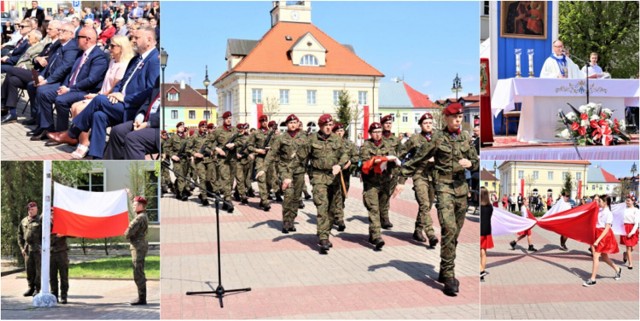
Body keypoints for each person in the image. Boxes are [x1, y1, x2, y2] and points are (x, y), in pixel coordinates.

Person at [401, 102, 478, 296]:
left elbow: (476, 161)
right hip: (443, 188)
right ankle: (449, 275)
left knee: (454, 233)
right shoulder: (437, 138)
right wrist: (398, 175)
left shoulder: (465, 137)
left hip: (461, 189)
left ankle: (444, 270)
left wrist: (471, 164)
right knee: (449, 228)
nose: (458, 120)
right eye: (454, 117)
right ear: (446, 118)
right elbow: (417, 158)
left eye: (460, 117)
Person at [46, 26, 159, 159]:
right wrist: (114, 94)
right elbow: (122, 82)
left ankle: (72, 132)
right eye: (133, 38)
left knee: (99, 100)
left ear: (149, 40)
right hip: (118, 101)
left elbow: (150, 92)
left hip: (132, 107)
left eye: (137, 38)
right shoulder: (136, 59)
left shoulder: (154, 61)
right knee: (99, 115)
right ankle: (97, 157)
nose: (133, 41)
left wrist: (124, 98)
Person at [66, 34, 134, 158]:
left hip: (118, 102)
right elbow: (114, 87)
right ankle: (96, 155)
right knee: (96, 114)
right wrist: (100, 94)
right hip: (108, 97)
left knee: (85, 106)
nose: (109, 48)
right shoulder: (112, 61)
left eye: (112, 46)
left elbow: (116, 87)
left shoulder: (125, 65)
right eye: (109, 45)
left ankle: (78, 138)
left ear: (122, 47)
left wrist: (102, 95)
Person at [300, 114, 348, 254]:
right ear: (320, 126)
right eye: (326, 125)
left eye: (330, 125)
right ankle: (323, 238)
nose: (329, 127)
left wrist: (339, 165)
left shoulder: (337, 139)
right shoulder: (311, 140)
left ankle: (324, 231)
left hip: (334, 178)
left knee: (332, 209)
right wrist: (288, 176)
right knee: (322, 206)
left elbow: (345, 154)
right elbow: (301, 158)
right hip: (318, 176)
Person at [259, 114, 307, 232]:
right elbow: (272, 153)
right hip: (285, 169)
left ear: (298, 124)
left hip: (299, 170)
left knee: (296, 197)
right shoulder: (281, 138)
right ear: (286, 125)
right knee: (288, 195)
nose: (293, 124)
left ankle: (291, 220)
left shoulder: (304, 137)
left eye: (295, 122)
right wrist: (263, 168)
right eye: (290, 123)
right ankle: (286, 221)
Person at [399, 112, 438, 247]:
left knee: (428, 205)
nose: (428, 125)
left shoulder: (438, 138)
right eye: (425, 123)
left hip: (434, 177)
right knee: (424, 204)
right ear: (421, 125)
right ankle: (431, 234)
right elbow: (401, 152)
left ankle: (418, 229)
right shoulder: (415, 139)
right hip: (419, 175)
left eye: (430, 123)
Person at [360, 122, 399, 251]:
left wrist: (393, 161)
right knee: (374, 210)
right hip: (371, 183)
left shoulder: (387, 145)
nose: (377, 134)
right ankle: (377, 237)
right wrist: (375, 161)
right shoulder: (366, 145)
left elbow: (394, 160)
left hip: (385, 183)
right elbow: (364, 162)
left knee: (382, 209)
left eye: (379, 131)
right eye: (375, 132)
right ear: (371, 133)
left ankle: (372, 234)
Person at [583, 195, 622, 286]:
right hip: (597, 234)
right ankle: (617, 269)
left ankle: (593, 279)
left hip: (604, 236)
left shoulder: (609, 214)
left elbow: (606, 229)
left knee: (595, 256)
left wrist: (597, 240)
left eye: (600, 201)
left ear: (605, 203)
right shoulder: (600, 210)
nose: (598, 203)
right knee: (604, 257)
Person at [331, 122, 359, 232]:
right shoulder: (330, 143)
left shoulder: (349, 144)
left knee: (342, 194)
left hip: (345, 175)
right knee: (334, 195)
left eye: (341, 131)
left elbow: (356, 156)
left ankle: (337, 215)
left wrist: (350, 163)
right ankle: (339, 218)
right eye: (337, 131)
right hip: (332, 175)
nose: (339, 133)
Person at [209, 111, 238, 211]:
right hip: (222, 160)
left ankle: (226, 200)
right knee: (225, 179)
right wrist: (217, 149)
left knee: (230, 180)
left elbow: (242, 141)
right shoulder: (218, 131)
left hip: (233, 158)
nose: (229, 120)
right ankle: (229, 201)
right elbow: (209, 142)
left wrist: (235, 145)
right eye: (227, 118)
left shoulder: (235, 130)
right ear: (224, 119)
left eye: (230, 118)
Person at [124, 195, 149, 305]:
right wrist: (130, 195)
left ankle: (142, 298)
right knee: (139, 270)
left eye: (135, 205)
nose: (133, 206)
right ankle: (141, 296)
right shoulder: (142, 215)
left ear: (141, 206)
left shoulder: (139, 218)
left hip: (138, 247)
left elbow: (128, 233)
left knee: (138, 272)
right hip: (139, 246)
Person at [379, 114, 403, 229]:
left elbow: (401, 154)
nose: (388, 125)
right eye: (386, 123)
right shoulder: (378, 138)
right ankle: (383, 217)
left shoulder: (395, 140)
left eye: (390, 123)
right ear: (382, 125)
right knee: (382, 193)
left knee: (387, 194)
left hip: (393, 171)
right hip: (381, 171)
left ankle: (383, 215)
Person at [248, 115, 273, 211]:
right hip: (260, 159)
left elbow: (276, 145)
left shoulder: (272, 133)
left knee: (270, 181)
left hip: (270, 159)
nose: (264, 122)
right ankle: (265, 201)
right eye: (262, 121)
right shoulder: (255, 133)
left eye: (266, 120)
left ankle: (263, 200)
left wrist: (271, 148)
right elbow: (249, 146)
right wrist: (258, 150)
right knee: (261, 180)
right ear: (260, 122)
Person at [18, 201, 42, 296]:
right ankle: (30, 288)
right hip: (27, 250)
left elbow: (45, 235)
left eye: (32, 209)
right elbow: (19, 234)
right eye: (29, 209)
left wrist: (42, 247)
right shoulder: (24, 221)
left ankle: (37, 289)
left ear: (36, 209)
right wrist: (21, 248)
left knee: (38, 270)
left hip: (37, 249)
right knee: (29, 270)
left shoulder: (40, 220)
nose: (30, 211)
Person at [50, 211, 69, 304]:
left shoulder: (62, 223)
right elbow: (46, 240)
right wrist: (57, 236)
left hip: (62, 253)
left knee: (64, 276)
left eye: (54, 214)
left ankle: (64, 296)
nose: (52, 215)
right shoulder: (45, 225)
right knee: (52, 276)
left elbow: (73, 233)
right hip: (51, 253)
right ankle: (54, 296)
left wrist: (64, 233)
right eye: (51, 214)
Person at [621, 195, 639, 269]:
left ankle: (625, 254)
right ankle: (630, 263)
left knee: (631, 248)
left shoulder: (636, 210)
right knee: (628, 247)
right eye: (626, 201)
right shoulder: (624, 210)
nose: (627, 202)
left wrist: (632, 232)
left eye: (629, 201)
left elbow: (636, 223)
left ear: (633, 201)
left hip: (633, 228)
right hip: (625, 228)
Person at [480, 187, 493, 282]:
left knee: (479, 252)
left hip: (479, 231)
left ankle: (480, 271)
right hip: (487, 231)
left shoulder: (480, 207)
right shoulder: (490, 207)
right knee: (483, 253)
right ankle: (482, 273)